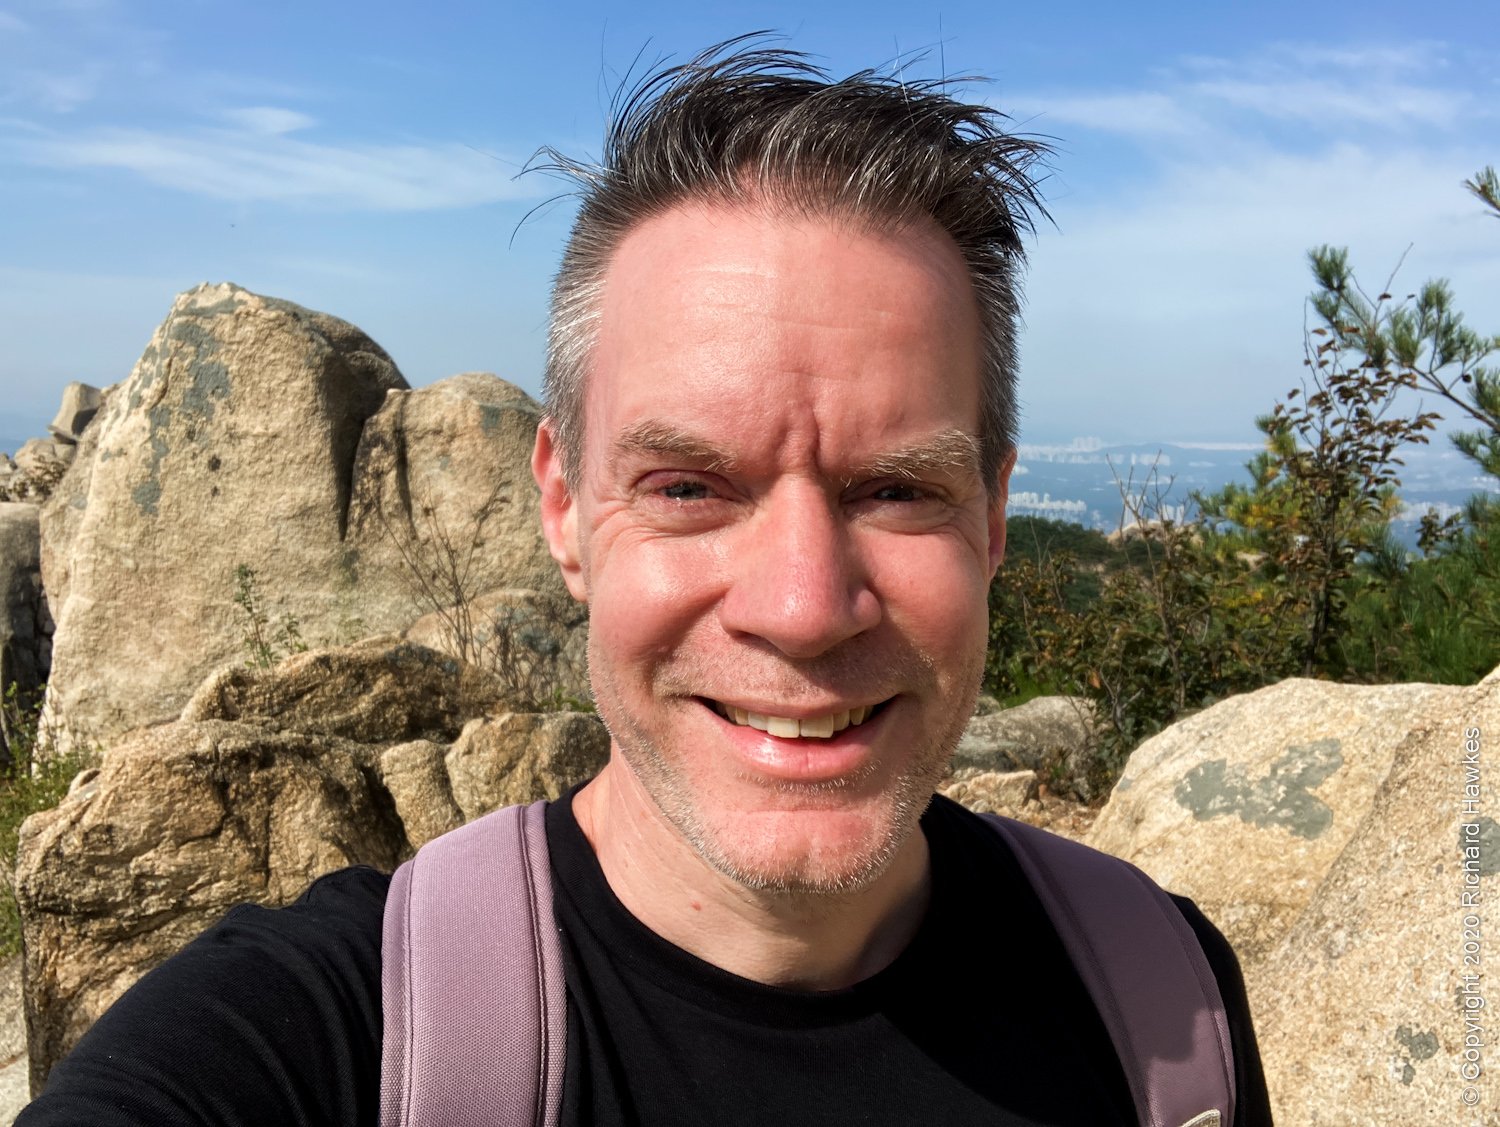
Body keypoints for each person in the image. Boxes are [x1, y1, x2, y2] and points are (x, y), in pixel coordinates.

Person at [19, 41, 1272, 1127]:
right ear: (564, 510)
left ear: (993, 521)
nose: (800, 605)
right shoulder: (326, 1035)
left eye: (896, 488)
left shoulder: (1163, 1006)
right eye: (687, 486)